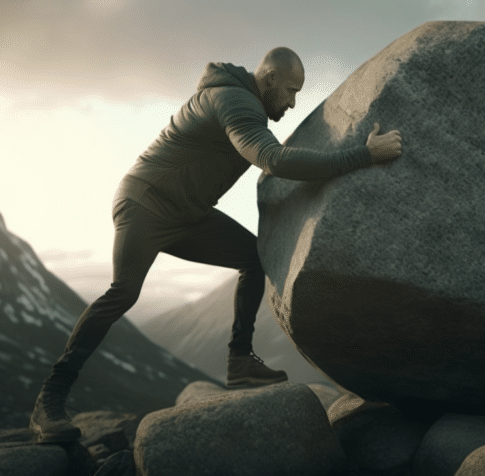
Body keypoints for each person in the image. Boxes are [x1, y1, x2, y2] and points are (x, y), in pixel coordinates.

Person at [29, 47, 402, 443]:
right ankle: (49, 401)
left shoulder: (242, 101)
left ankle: (239, 361)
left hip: (187, 214)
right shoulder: (236, 102)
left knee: (252, 258)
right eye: (291, 91)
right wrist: (364, 155)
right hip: (146, 203)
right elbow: (273, 159)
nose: (293, 103)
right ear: (270, 79)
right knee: (123, 292)